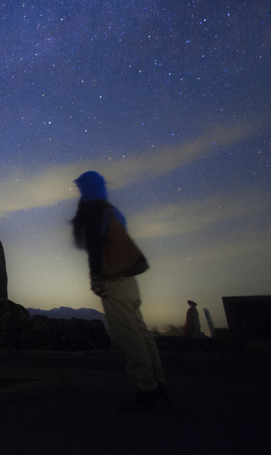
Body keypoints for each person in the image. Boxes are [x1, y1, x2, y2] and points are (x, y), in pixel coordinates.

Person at [72, 171, 167, 411]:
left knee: (126, 335)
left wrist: (95, 277)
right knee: (139, 331)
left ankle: (148, 390)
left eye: (82, 188)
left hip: (113, 280)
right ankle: (158, 384)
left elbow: (93, 245)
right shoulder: (113, 211)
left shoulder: (93, 209)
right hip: (129, 279)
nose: (80, 192)